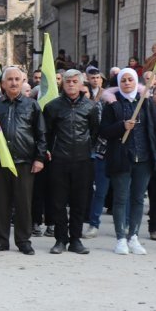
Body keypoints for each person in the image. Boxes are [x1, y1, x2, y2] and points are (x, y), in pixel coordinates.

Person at [99, 68, 156, 255]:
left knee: (138, 199)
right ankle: (120, 238)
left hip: (144, 158)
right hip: (122, 158)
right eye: (123, 80)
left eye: (130, 80)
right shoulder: (112, 105)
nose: (127, 83)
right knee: (121, 199)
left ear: (135, 82)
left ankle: (134, 237)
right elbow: (103, 131)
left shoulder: (145, 104)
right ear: (119, 83)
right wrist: (121, 126)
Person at [0, 66, 46, 255]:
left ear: (22, 82)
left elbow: (41, 133)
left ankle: (23, 241)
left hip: (24, 161)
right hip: (1, 161)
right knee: (0, 203)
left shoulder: (32, 105)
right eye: (9, 79)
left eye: (16, 79)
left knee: (23, 203)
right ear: (3, 84)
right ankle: (1, 240)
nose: (13, 83)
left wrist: (39, 158)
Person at [43, 69, 100, 254]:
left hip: (83, 161)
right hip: (59, 160)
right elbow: (47, 134)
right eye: (68, 81)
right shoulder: (52, 107)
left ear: (82, 84)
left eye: (75, 81)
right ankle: (60, 239)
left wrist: (86, 150)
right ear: (63, 83)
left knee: (79, 202)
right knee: (58, 202)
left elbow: (94, 131)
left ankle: (76, 239)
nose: (71, 84)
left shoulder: (91, 107)